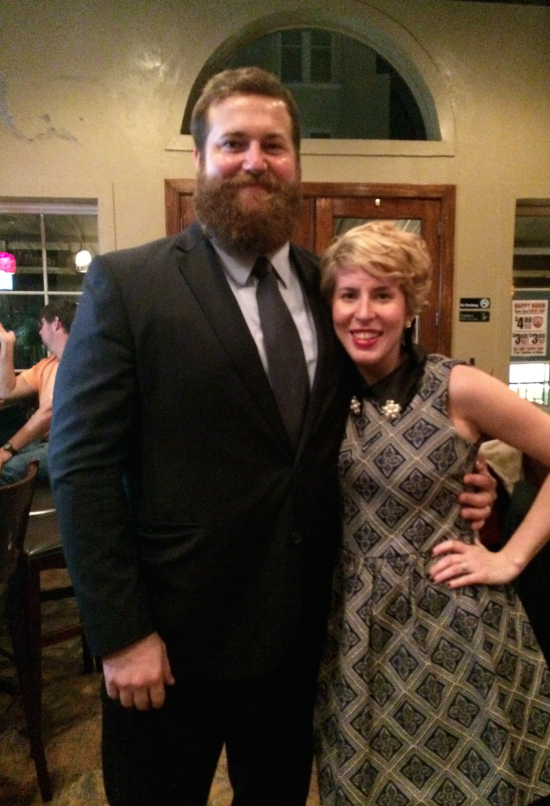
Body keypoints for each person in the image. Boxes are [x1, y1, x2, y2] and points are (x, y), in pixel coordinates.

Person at [49, 68, 495, 806]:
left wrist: (472, 480)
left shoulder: (334, 293)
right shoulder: (130, 286)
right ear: (201, 158)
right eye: (233, 143)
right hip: (170, 644)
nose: (254, 160)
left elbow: (404, 406)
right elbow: (81, 468)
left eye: (274, 145)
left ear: (296, 164)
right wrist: (122, 633)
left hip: (302, 640)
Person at [314, 220, 550, 805]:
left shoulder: (455, 386)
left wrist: (509, 558)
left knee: (464, 783)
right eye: (349, 295)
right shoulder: (318, 393)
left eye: (383, 294)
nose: (364, 313)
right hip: (352, 624)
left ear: (410, 306)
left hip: (447, 622)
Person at [0, 300, 77, 485]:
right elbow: (6, 390)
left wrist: (8, 449)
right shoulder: (47, 365)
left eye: (42, 325)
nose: (40, 332)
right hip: (47, 441)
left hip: (74, 446)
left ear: (56, 323)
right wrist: (7, 345)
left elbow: (49, 412)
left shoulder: (80, 361)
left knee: (7, 469)